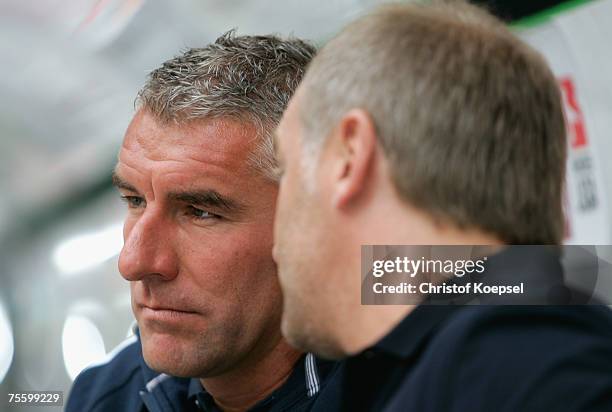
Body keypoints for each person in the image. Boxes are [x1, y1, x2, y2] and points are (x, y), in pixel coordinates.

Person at [273, 1, 612, 411]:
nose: (274, 235)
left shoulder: (525, 361)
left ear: (349, 155)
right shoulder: (415, 370)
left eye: (285, 169)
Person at [66, 32, 336, 412]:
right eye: (134, 200)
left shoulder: (420, 380)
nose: (133, 263)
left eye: (200, 212)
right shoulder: (107, 396)